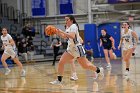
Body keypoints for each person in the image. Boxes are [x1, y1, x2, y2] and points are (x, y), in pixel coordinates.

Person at [49, 15, 104, 85]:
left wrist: (62, 31)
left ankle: (99, 70)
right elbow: (65, 37)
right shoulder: (68, 28)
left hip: (77, 48)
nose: (65, 21)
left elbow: (72, 36)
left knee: (85, 66)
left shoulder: (74, 26)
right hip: (70, 49)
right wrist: (57, 32)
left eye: (67, 20)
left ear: (71, 20)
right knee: (61, 62)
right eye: (65, 20)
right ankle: (59, 80)